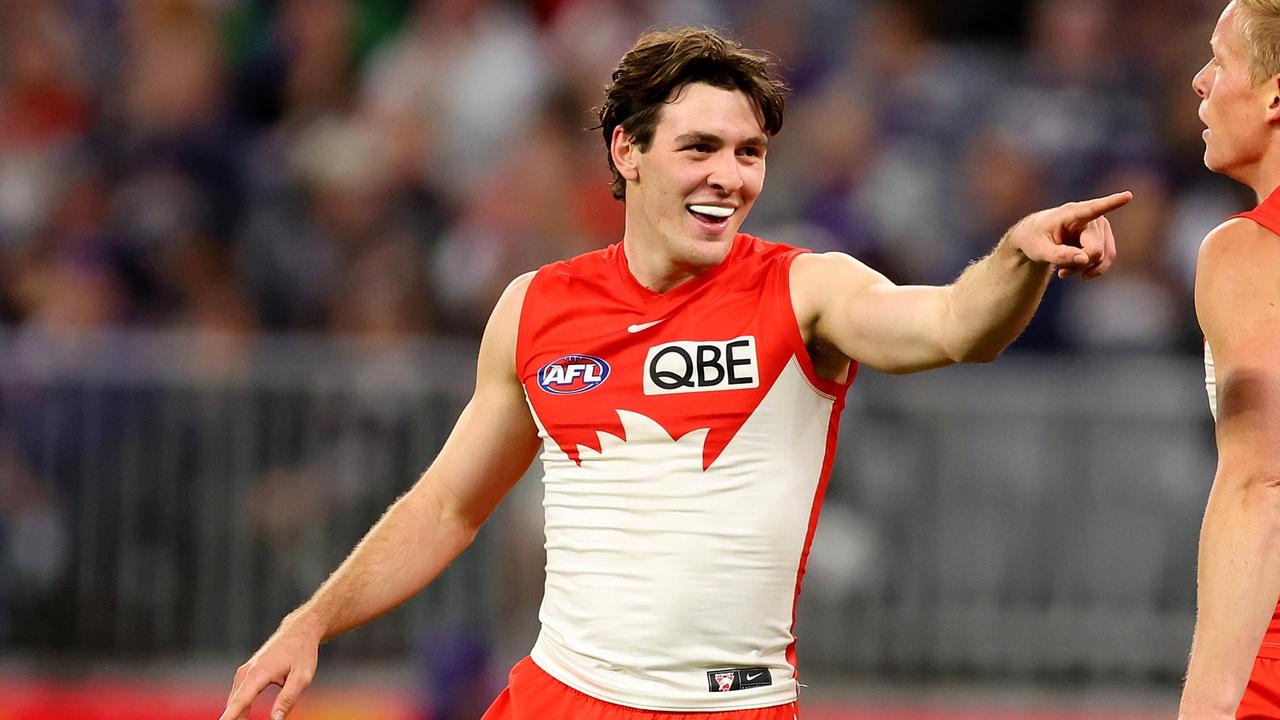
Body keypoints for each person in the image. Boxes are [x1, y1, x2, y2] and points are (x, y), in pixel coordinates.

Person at [219, 27, 1128, 720]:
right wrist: (314, 618)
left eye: (749, 152)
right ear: (628, 152)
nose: (729, 176)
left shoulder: (807, 289)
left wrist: (1018, 256)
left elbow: (955, 328)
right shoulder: (535, 309)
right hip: (557, 699)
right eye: (700, 148)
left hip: (728, 706)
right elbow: (449, 505)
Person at [1180, 2, 1280, 719]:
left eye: (1220, 58)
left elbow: (1261, 485)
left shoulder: (1247, 251)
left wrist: (1209, 708)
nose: (1199, 80)